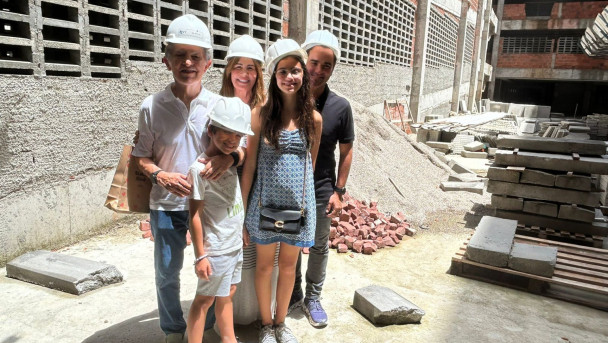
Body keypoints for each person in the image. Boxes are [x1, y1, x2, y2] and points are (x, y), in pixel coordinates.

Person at [131, 14, 244, 343]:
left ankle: (205, 324)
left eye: (196, 55)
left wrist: (229, 156)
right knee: (167, 272)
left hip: (209, 209)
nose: (188, 62)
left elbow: (244, 148)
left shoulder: (219, 106)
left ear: (208, 64)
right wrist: (160, 175)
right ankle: (172, 329)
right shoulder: (152, 107)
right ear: (166, 60)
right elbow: (140, 155)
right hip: (166, 206)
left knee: (210, 269)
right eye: (179, 54)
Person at [240, 39, 323, 343]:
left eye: (296, 71)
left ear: (304, 75)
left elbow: (308, 169)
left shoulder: (313, 120)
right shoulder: (260, 115)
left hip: (297, 209)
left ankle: (280, 324)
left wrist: (309, 212)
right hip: (263, 206)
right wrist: (242, 211)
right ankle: (265, 325)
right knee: (263, 267)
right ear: (274, 76)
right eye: (283, 71)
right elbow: (248, 167)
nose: (290, 77)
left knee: (288, 268)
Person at [289, 30, 355, 328]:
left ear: (333, 69)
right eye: (313, 62)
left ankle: (313, 297)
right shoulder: (286, 97)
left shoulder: (340, 107)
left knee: (317, 245)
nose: (318, 71)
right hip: (287, 188)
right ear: (304, 62)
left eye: (326, 66)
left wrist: (339, 191)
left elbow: (347, 150)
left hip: (320, 189)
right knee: (289, 244)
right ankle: (292, 294)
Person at [217, 35, 282, 326]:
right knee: (229, 256)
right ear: (229, 70)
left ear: (259, 73)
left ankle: (261, 317)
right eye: (238, 66)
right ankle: (230, 319)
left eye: (251, 68)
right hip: (221, 193)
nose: (244, 74)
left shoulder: (267, 109)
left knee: (263, 258)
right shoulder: (216, 105)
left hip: (259, 191)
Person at [186, 97, 253, 343]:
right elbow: (194, 214)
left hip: (233, 244)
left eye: (238, 135)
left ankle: (228, 339)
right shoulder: (199, 169)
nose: (232, 140)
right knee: (204, 301)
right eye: (226, 133)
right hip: (215, 249)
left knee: (228, 293)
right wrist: (200, 255)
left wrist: (240, 231)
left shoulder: (229, 162)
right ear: (212, 130)